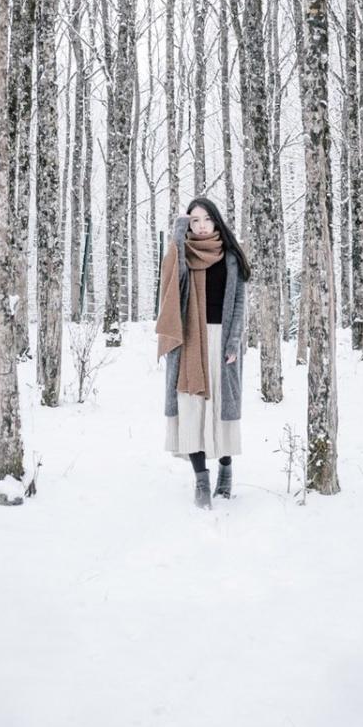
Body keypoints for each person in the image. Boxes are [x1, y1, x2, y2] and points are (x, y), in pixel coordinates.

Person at [155, 196, 251, 508]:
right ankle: (201, 481)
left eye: (206, 219)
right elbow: (173, 284)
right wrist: (178, 233)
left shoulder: (231, 257)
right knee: (191, 409)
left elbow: (238, 303)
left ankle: (225, 470)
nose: (200, 226)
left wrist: (234, 341)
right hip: (189, 342)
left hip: (222, 344)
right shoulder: (182, 254)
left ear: (216, 220)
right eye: (194, 220)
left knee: (223, 408)